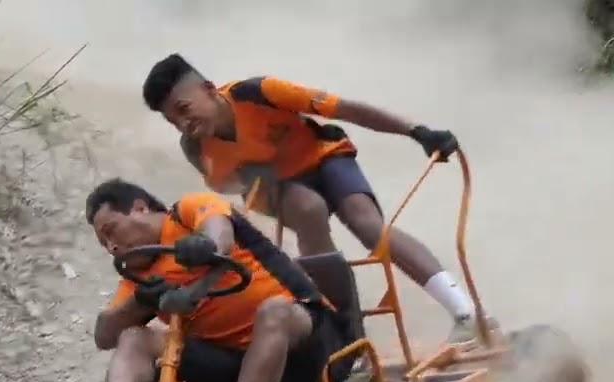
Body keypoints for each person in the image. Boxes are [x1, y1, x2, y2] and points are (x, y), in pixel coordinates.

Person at [140, 53, 496, 343]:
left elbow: (348, 110)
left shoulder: (259, 92)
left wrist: (417, 132)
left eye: (184, 109)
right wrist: (258, 175)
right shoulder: (196, 148)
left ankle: (466, 312)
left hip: (324, 157)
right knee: (308, 209)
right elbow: (224, 186)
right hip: (275, 184)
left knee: (367, 224)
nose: (183, 124)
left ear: (208, 89)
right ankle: (346, 338)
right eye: (173, 120)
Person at [36, 178, 354, 382]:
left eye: (111, 231)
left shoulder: (187, 212)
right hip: (232, 370)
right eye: (104, 242)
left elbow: (220, 236)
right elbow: (104, 335)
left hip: (310, 349)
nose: (111, 246)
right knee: (134, 337)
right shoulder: (137, 275)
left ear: (140, 208)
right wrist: (140, 301)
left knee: (273, 312)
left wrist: (204, 245)